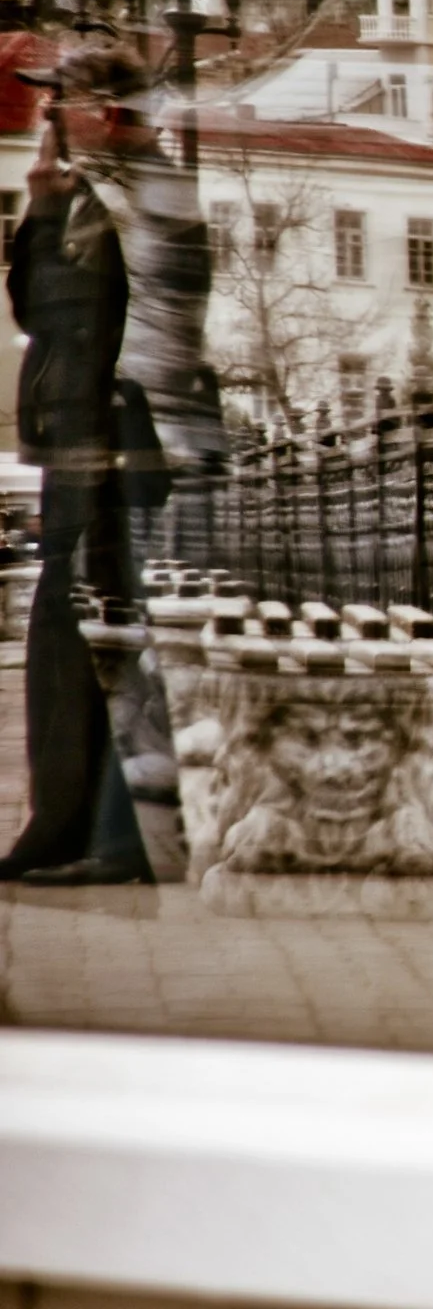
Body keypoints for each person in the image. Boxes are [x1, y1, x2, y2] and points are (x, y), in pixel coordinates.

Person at [0, 57, 153, 884]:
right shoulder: (87, 199)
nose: (44, 115)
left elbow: (71, 314)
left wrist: (48, 204)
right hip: (79, 442)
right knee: (73, 633)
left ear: (98, 112)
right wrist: (40, 207)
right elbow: (34, 306)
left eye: (57, 101)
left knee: (82, 634)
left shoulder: (111, 202)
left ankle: (86, 829)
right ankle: (75, 825)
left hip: (95, 446)